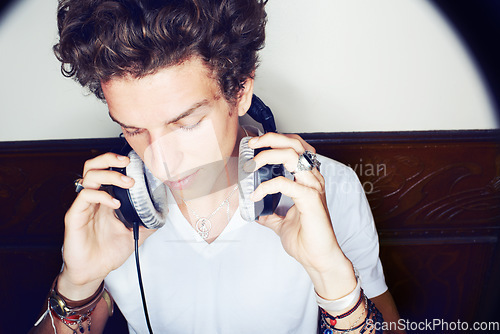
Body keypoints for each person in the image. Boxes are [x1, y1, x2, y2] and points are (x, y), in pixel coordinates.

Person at [31, 0, 402, 333]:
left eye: (187, 123)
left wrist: (330, 275)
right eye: (133, 129)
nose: (160, 160)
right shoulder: (113, 209)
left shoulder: (332, 187)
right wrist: (77, 284)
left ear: (240, 92)